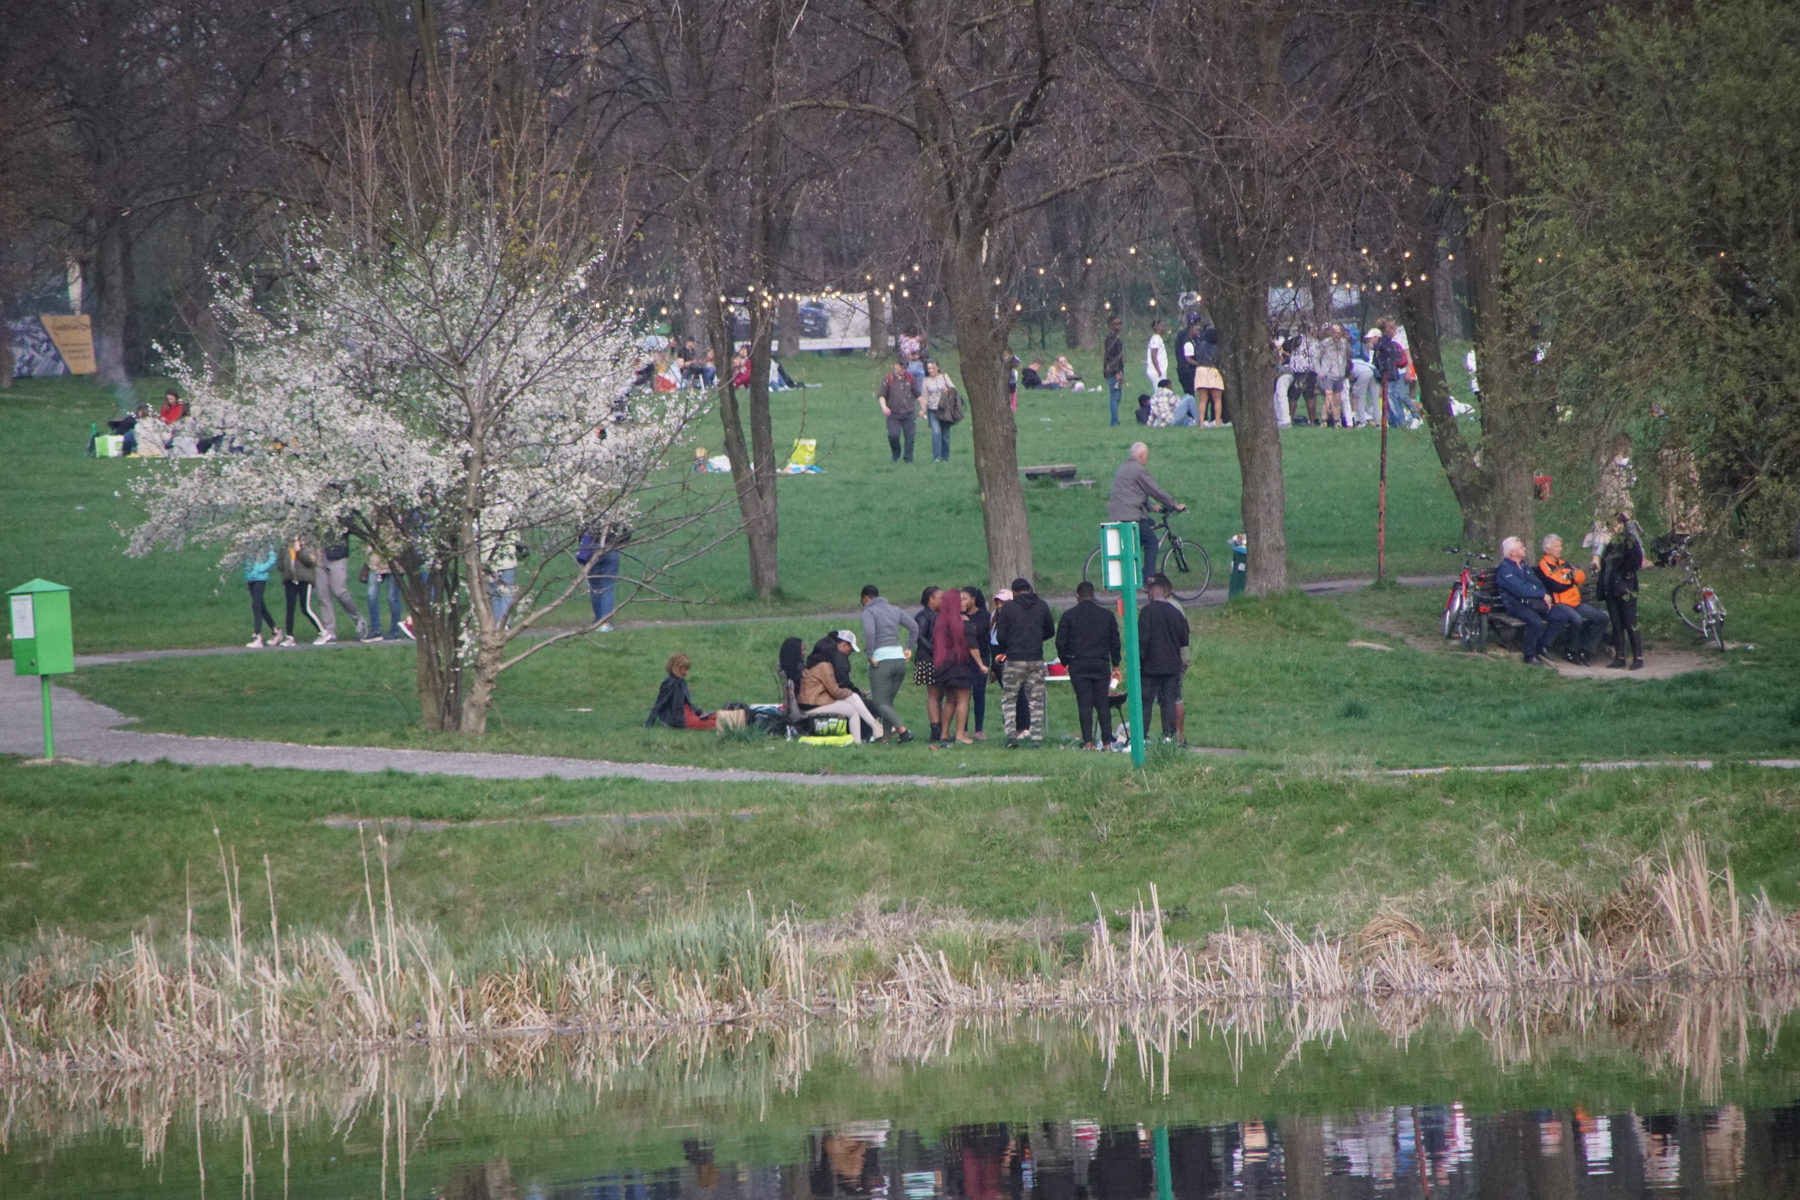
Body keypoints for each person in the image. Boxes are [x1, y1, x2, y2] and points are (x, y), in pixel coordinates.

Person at [1055, 580, 1121, 749]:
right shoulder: (1107, 615)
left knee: (1084, 704)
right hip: (1100, 663)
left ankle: (1088, 742)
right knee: (1102, 704)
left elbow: (1060, 642)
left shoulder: (1069, 616)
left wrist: (1066, 661)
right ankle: (1107, 742)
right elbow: (1115, 641)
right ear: (1093, 595)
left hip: (1079, 664)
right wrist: (1115, 665)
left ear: (1077, 596)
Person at [1107, 443, 1186, 583]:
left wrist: (1150, 507)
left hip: (1117, 513)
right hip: (1130, 516)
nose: (1146, 460)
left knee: (1150, 523)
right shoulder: (1138, 469)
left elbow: (1130, 493)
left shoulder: (1123, 467)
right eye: (1146, 456)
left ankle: (1137, 568)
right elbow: (1154, 490)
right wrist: (1173, 504)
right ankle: (1147, 579)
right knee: (1152, 543)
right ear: (1141, 455)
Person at [993, 577, 1054, 748]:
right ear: (1030, 589)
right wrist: (1035, 638)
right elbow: (1050, 630)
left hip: (1014, 660)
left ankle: (1011, 737)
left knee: (1009, 698)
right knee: (1035, 700)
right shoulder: (1042, 605)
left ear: (1014, 592)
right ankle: (1036, 738)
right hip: (1035, 658)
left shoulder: (1008, 608)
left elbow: (1001, 637)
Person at [1496, 536, 1576, 666]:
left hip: (1533, 602)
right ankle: (1529, 655)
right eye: (1521, 547)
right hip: (1515, 604)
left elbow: (1537, 583)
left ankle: (1542, 645)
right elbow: (1519, 589)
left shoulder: (1524, 566)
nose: (1525, 548)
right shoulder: (1505, 569)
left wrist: (1543, 594)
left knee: (1561, 616)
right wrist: (1541, 595)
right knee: (1536, 622)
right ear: (1513, 553)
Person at [798, 633, 884, 743]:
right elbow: (835, 691)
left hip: (810, 702)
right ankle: (861, 740)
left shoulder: (815, 664)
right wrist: (850, 692)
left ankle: (875, 728)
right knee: (852, 711)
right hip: (812, 705)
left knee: (852, 699)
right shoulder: (824, 666)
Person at [859, 584, 918, 743]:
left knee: (879, 703)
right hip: (899, 659)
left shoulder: (869, 611)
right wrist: (909, 648)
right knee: (888, 702)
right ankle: (885, 739)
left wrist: (870, 654)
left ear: (866, 598)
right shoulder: (895, 609)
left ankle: (903, 731)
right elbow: (914, 627)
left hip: (881, 660)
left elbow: (870, 632)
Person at [1538, 534, 1609, 665]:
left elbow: (1581, 575)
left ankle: (1587, 651)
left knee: (1601, 618)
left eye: (1561, 546)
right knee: (1577, 619)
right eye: (1557, 546)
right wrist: (1571, 579)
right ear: (1547, 550)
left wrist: (1566, 577)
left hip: (1575, 602)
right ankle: (1571, 651)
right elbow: (1555, 585)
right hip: (1559, 604)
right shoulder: (1544, 565)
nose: (1560, 549)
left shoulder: (1564, 563)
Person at [1138, 574, 1190, 742]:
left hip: (1151, 667)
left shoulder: (1147, 612)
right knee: (1169, 702)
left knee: (1146, 702)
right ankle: (1168, 736)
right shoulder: (1176, 613)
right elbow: (1184, 639)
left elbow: (1143, 640)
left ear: (1152, 593)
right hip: (1172, 666)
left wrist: (1140, 662)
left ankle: (1143, 736)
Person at [931, 588, 985, 746]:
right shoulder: (964, 621)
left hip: (944, 666)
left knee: (950, 701)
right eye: (959, 600)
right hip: (961, 666)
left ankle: (944, 734)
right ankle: (961, 734)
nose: (963, 603)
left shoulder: (941, 621)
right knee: (963, 701)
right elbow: (972, 646)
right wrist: (981, 664)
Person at [1599, 513, 1646, 670]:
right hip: (1611, 588)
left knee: (1630, 621)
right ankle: (1620, 656)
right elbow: (1606, 564)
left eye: (1616, 524)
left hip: (1625, 587)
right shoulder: (1612, 543)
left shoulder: (1630, 540)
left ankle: (1637, 656)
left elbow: (1636, 561)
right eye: (1611, 525)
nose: (1613, 528)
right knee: (1616, 623)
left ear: (1622, 524)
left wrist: (1624, 574)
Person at [314, 527, 368, 644]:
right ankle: (329, 631)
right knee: (323, 595)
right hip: (319, 555)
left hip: (337, 555)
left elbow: (350, 526)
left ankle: (358, 620)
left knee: (340, 591)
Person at [645, 652, 718, 729]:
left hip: (687, 712)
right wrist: (648, 723)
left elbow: (686, 703)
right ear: (678, 668)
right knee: (714, 723)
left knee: (716, 716)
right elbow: (660, 703)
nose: (687, 672)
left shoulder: (681, 681)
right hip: (679, 718)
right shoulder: (669, 683)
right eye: (685, 669)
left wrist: (699, 712)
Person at [577, 525, 627, 631]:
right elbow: (627, 527)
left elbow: (580, 528)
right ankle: (606, 622)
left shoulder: (587, 509)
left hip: (591, 547)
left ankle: (598, 620)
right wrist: (622, 543)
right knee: (608, 585)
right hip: (612, 546)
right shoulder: (616, 509)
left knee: (595, 587)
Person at [275, 537, 322, 648]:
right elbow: (280, 564)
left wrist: (300, 550)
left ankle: (322, 632)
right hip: (290, 580)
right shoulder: (285, 547)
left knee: (305, 608)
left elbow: (311, 562)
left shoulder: (307, 545)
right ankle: (289, 636)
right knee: (290, 608)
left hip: (304, 580)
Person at [912, 586, 943, 740]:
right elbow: (919, 636)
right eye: (940, 598)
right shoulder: (923, 616)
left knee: (939, 693)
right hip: (928, 658)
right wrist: (934, 650)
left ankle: (940, 726)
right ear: (931, 599)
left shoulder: (937, 614)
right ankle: (936, 728)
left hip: (936, 657)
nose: (942, 601)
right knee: (934, 694)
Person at [962, 586, 992, 740]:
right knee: (963, 694)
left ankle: (979, 729)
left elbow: (987, 638)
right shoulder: (959, 616)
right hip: (963, 659)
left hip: (982, 657)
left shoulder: (984, 616)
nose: (961, 602)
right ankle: (963, 728)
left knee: (979, 693)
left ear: (973, 599)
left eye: (964, 599)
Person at [877, 356, 920, 463]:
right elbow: (881, 395)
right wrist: (884, 407)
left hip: (908, 413)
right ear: (896, 365)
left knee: (910, 437)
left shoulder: (910, 378)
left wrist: (923, 407)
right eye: (901, 367)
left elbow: (918, 394)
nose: (903, 370)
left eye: (905, 367)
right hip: (893, 414)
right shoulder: (888, 379)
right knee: (893, 435)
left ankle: (908, 459)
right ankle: (896, 454)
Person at [363, 543, 404, 641]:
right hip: (375, 564)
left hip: (394, 564)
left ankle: (395, 631)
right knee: (371, 595)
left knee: (392, 598)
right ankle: (376, 630)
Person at [919, 360, 958, 463]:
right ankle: (937, 457)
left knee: (945, 434)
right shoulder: (926, 381)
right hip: (932, 410)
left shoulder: (944, 377)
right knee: (936, 432)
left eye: (933, 368)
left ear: (938, 368)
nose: (931, 370)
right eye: (929, 369)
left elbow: (954, 390)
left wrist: (948, 390)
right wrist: (923, 409)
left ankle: (945, 458)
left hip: (945, 409)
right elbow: (925, 396)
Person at [1314, 324, 1351, 428]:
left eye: (1339, 333)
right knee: (1328, 398)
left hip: (1339, 376)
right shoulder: (1325, 344)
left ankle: (1336, 421)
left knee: (1337, 400)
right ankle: (1324, 420)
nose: (1336, 335)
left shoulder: (1344, 344)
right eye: (1335, 333)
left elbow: (1349, 355)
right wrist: (1320, 371)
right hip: (1328, 375)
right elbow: (1316, 358)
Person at [243, 546, 279, 648]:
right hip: (250, 576)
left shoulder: (265, 542)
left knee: (256, 605)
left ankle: (257, 635)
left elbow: (272, 557)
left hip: (260, 577)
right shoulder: (247, 541)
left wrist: (261, 568)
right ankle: (275, 630)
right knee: (260, 606)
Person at [1193, 326, 1225, 427]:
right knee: (1217, 399)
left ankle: (1201, 423)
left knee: (1203, 400)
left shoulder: (1200, 346)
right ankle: (1217, 422)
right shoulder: (1218, 348)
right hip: (1213, 371)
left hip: (1201, 370)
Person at [1102, 316, 1125, 426]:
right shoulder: (1110, 340)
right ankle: (1114, 421)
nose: (1118, 326)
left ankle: (1116, 419)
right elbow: (1111, 358)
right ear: (1110, 325)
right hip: (1112, 372)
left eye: (1119, 323)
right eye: (1116, 324)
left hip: (1117, 371)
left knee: (1118, 396)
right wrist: (1117, 372)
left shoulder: (1116, 338)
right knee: (1115, 396)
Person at [1144, 318, 1168, 391]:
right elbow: (1154, 355)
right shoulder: (1155, 339)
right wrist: (1159, 371)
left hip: (1159, 370)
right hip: (1156, 371)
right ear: (1158, 328)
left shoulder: (1158, 339)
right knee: (1160, 392)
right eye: (1163, 326)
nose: (1164, 327)